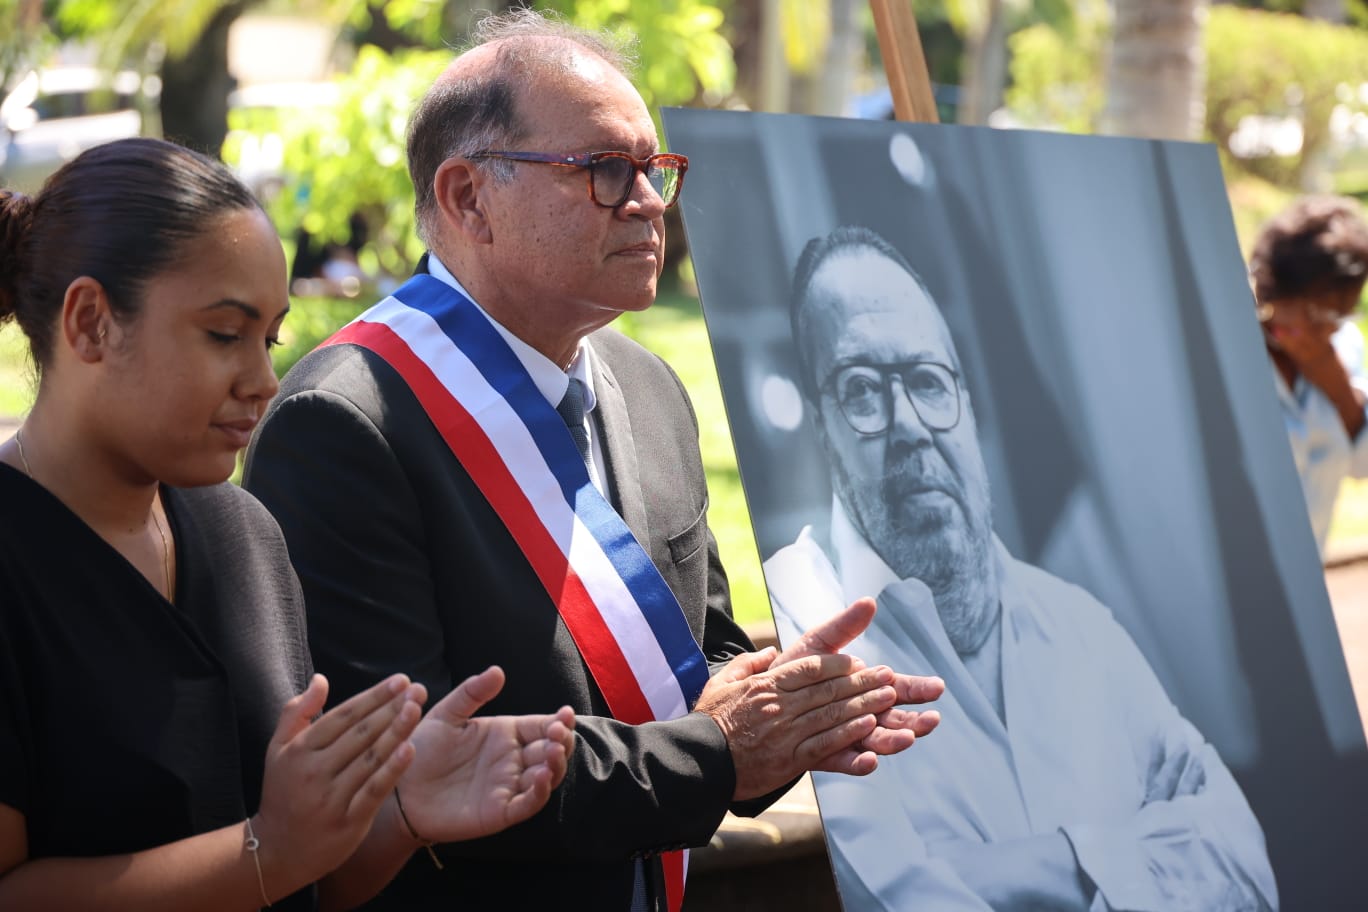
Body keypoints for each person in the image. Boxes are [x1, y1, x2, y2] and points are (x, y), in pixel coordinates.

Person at [242, 10, 944, 911]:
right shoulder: (343, 422)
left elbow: (704, 666)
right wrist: (724, 749)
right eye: (607, 172)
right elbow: (419, 774)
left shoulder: (646, 386)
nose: (650, 202)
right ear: (466, 198)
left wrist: (797, 714)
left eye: (656, 171)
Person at [0, 137, 577, 910]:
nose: (265, 380)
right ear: (91, 322)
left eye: (269, 338)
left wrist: (398, 813)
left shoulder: (244, 535)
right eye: (223, 335)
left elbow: (307, 882)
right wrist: (269, 849)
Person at [764, 225, 1278, 910]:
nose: (910, 423)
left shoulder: (1076, 621)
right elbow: (906, 901)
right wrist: (1133, 853)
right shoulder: (801, 626)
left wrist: (1023, 868)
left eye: (926, 380)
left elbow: (1244, 863)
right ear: (820, 427)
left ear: (969, 408)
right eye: (861, 390)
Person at [1249, 196, 1368, 557]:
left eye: (1341, 314)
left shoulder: (1344, 348)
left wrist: (1335, 384)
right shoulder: (1228, 355)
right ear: (1270, 291)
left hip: (1302, 580)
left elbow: (1360, 465)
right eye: (1316, 312)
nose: (1327, 329)